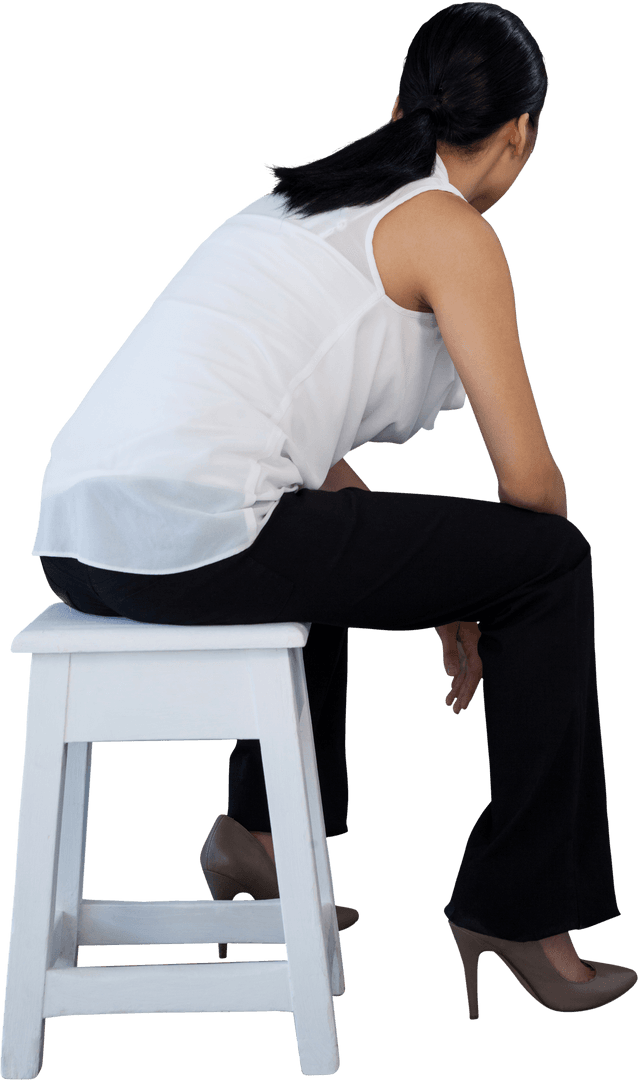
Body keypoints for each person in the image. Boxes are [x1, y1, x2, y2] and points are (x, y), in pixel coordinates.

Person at [33, 2, 636, 1017]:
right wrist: (488, 585)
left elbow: (293, 456)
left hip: (80, 539)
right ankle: (518, 905)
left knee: (308, 535)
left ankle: (257, 836)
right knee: (552, 560)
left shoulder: (301, 202)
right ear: (521, 134)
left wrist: (447, 581)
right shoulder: (444, 227)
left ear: (400, 102)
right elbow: (530, 492)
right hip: (197, 531)